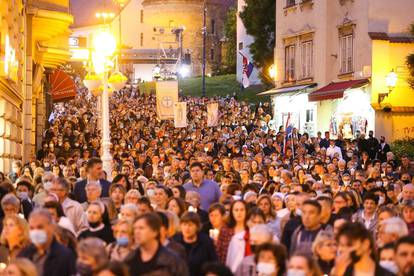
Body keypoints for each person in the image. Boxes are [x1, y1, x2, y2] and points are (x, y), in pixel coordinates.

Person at [124, 213, 188, 275]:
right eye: (135, 228)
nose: (137, 232)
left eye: (141, 228)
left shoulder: (172, 261)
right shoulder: (130, 259)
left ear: (155, 231)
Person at [18, 208, 76, 276]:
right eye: (32, 228)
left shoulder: (65, 256)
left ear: (51, 227)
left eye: (40, 227)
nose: (35, 232)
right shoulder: (24, 253)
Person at [173, 211, 218, 276]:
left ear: (197, 226)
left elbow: (214, 263)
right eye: (184, 225)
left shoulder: (206, 242)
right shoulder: (175, 241)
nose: (187, 228)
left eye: (190, 225)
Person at [215, 200, 250, 272]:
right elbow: (219, 252)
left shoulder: (250, 229)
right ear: (232, 212)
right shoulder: (225, 230)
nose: (239, 213)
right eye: (236, 210)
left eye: (242, 210)